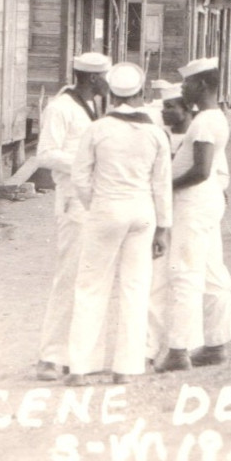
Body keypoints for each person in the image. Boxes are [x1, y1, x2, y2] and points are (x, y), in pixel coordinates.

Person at [66, 63, 171, 385]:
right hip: (142, 212)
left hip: (106, 209)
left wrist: (94, 204)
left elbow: (80, 176)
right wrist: (163, 227)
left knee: (91, 286)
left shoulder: (98, 129)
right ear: (140, 94)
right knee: (135, 287)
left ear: (110, 94)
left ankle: (81, 367)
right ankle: (126, 367)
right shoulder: (154, 132)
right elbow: (161, 184)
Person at [152, 58, 231, 372]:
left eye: (188, 84)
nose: (185, 89)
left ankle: (178, 350)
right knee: (211, 271)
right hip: (205, 204)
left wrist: (164, 187)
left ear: (201, 85)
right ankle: (215, 345)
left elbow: (201, 171)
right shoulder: (214, 118)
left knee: (185, 274)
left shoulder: (203, 122)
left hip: (193, 203)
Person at [34, 52, 111, 382]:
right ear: (93, 78)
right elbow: (46, 155)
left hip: (93, 199)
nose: (109, 82)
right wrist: (87, 161)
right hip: (71, 200)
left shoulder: (94, 106)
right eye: (105, 76)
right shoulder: (60, 108)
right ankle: (49, 357)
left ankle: (80, 355)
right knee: (69, 277)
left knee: (91, 276)